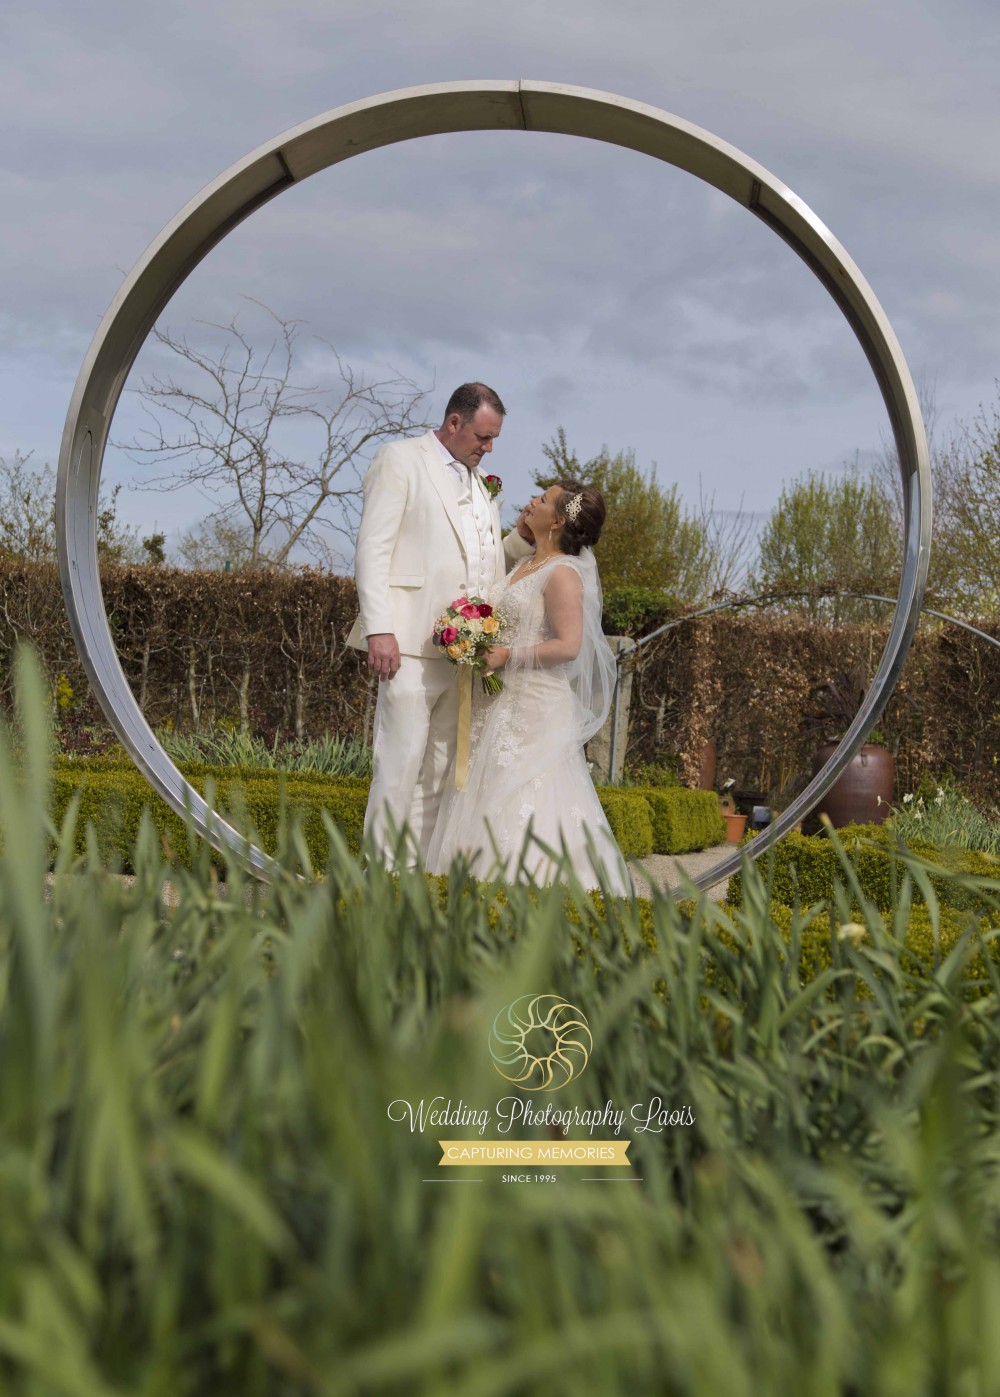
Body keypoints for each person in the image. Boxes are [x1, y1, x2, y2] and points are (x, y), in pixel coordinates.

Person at [347, 383, 531, 866]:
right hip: (406, 643)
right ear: (455, 423)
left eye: (493, 440)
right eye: (483, 436)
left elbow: (486, 561)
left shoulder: (483, 481)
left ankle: (415, 874)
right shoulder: (400, 459)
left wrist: (522, 540)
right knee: (400, 763)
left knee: (441, 771)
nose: (488, 448)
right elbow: (373, 548)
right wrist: (378, 628)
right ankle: (377, 876)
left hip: (463, 655)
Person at [425, 480, 633, 895]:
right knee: (478, 798)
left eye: (541, 500)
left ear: (556, 521)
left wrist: (506, 656)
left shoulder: (562, 574)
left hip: (533, 709)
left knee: (526, 800)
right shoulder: (525, 565)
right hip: (497, 703)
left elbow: (570, 645)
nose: (531, 502)